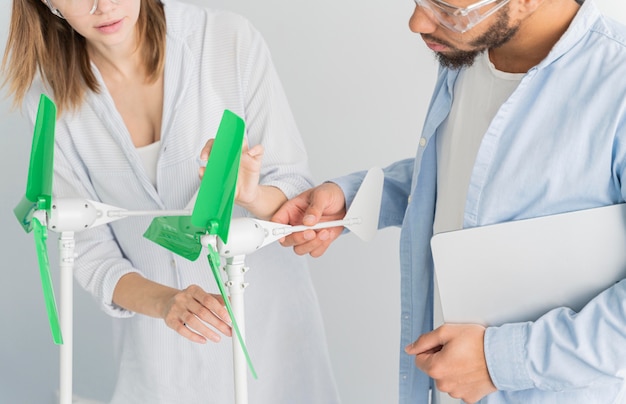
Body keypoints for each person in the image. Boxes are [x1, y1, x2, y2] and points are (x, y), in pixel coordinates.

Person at [273, 0, 626, 403]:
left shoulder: (617, 85)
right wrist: (360, 197)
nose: (417, 22)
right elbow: (469, 174)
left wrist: (500, 361)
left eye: (444, 7)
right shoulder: (470, 54)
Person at [2, 0, 341, 403]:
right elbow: (90, 251)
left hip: (270, 336)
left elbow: (291, 189)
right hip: (159, 357)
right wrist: (167, 303)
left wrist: (251, 194)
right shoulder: (48, 97)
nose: (104, 7)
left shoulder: (227, 41)